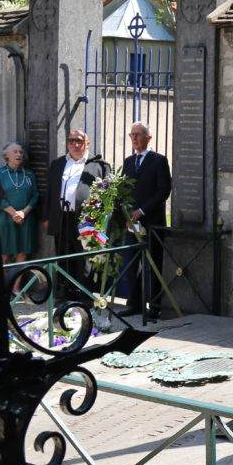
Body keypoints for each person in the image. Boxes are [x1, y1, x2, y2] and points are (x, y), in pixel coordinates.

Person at [44, 130, 110, 297]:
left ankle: (84, 293)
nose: (75, 144)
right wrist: (46, 216)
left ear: (87, 143)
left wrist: (99, 219)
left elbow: (107, 195)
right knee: (63, 254)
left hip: (85, 218)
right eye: (71, 140)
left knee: (84, 256)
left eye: (79, 141)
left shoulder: (99, 165)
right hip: (61, 216)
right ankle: (64, 291)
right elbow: (50, 191)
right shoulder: (58, 163)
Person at [122, 121, 171, 319]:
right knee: (132, 262)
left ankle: (155, 305)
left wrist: (142, 210)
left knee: (153, 263)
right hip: (131, 222)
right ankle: (134, 304)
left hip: (152, 221)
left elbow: (163, 190)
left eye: (138, 135)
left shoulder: (158, 160)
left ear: (148, 138)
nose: (134, 139)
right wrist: (126, 213)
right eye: (132, 135)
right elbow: (123, 190)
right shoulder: (128, 161)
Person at [0, 142, 39, 263]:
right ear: (6, 155)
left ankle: (17, 283)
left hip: (25, 218)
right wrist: (14, 213)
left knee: (22, 252)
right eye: (15, 152)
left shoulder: (29, 174)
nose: (19, 154)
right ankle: (2, 281)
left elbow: (35, 195)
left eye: (21, 152)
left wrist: (24, 213)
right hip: (5, 218)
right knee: (4, 253)